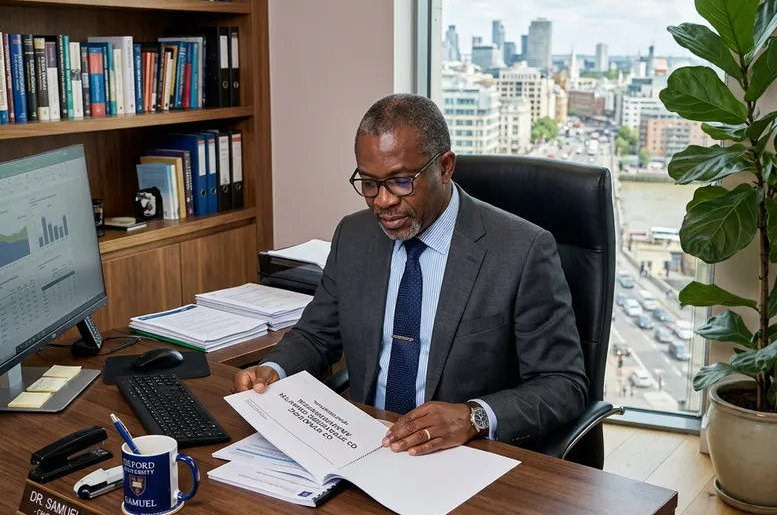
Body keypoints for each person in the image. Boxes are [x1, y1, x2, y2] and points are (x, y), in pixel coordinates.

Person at [234, 94, 588, 455]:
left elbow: (563, 383)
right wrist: (274, 369)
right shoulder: (354, 236)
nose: (383, 201)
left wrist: (474, 416)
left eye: (401, 181)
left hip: (465, 454)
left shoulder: (521, 251)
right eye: (369, 183)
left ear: (445, 167)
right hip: (362, 444)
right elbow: (317, 335)